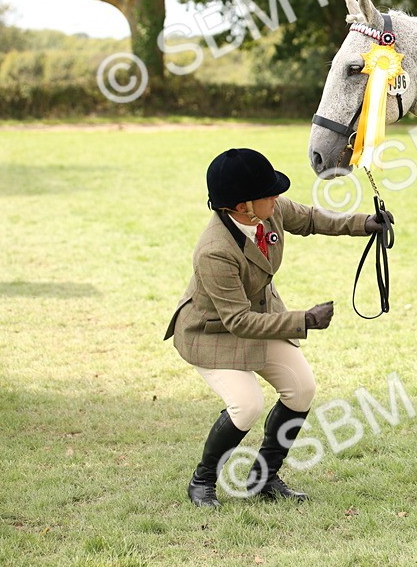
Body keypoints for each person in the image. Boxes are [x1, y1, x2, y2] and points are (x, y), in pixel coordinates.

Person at [164, 147, 390, 507]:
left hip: (260, 317)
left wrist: (364, 224)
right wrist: (304, 320)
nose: (277, 197)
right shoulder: (214, 251)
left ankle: (263, 478)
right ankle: (202, 480)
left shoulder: (269, 211)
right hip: (213, 332)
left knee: (301, 389)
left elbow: (311, 219)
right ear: (242, 207)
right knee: (246, 405)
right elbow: (237, 321)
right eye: (268, 193)